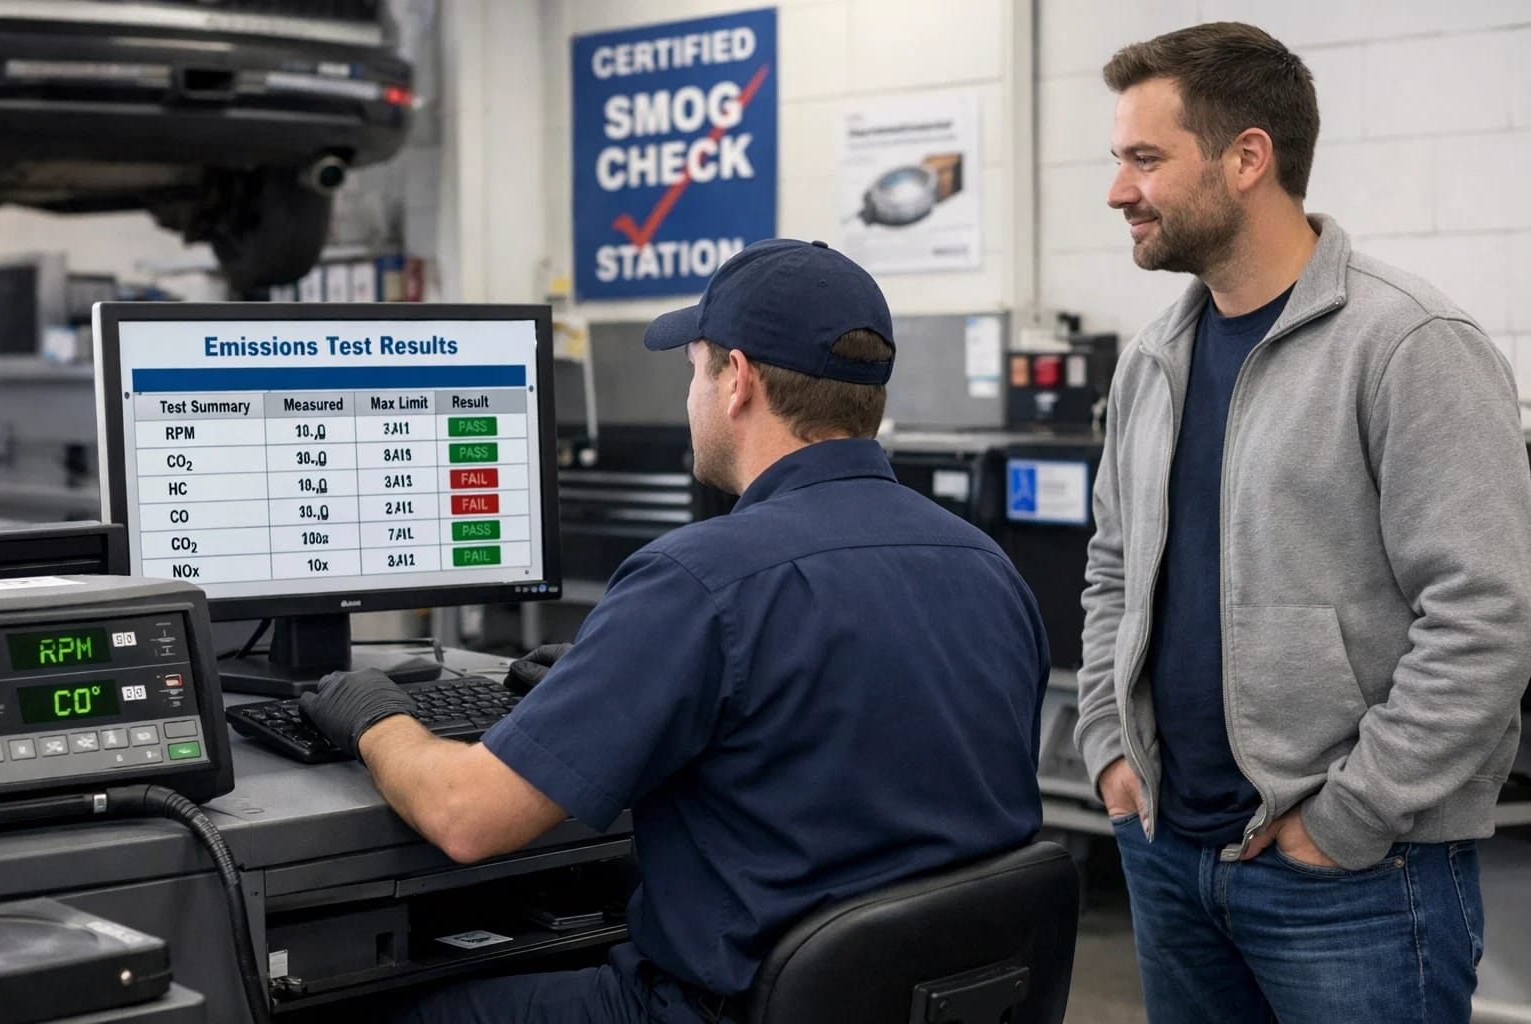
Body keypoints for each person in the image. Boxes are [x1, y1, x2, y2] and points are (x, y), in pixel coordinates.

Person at [302, 237, 1052, 1024]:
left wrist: (372, 716)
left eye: (694, 370)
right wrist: (615, 689)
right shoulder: (986, 564)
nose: (689, 397)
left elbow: (466, 817)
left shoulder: (702, 579)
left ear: (737, 380)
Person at [1073, 20, 1531, 1024]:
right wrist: (1108, 744)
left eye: (1145, 158)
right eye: (1120, 159)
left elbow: (1487, 617)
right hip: (1168, 854)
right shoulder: (1154, 360)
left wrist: (1349, 814)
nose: (1118, 190)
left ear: (1247, 158)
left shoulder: (1409, 344)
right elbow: (1112, 571)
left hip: (1352, 877)